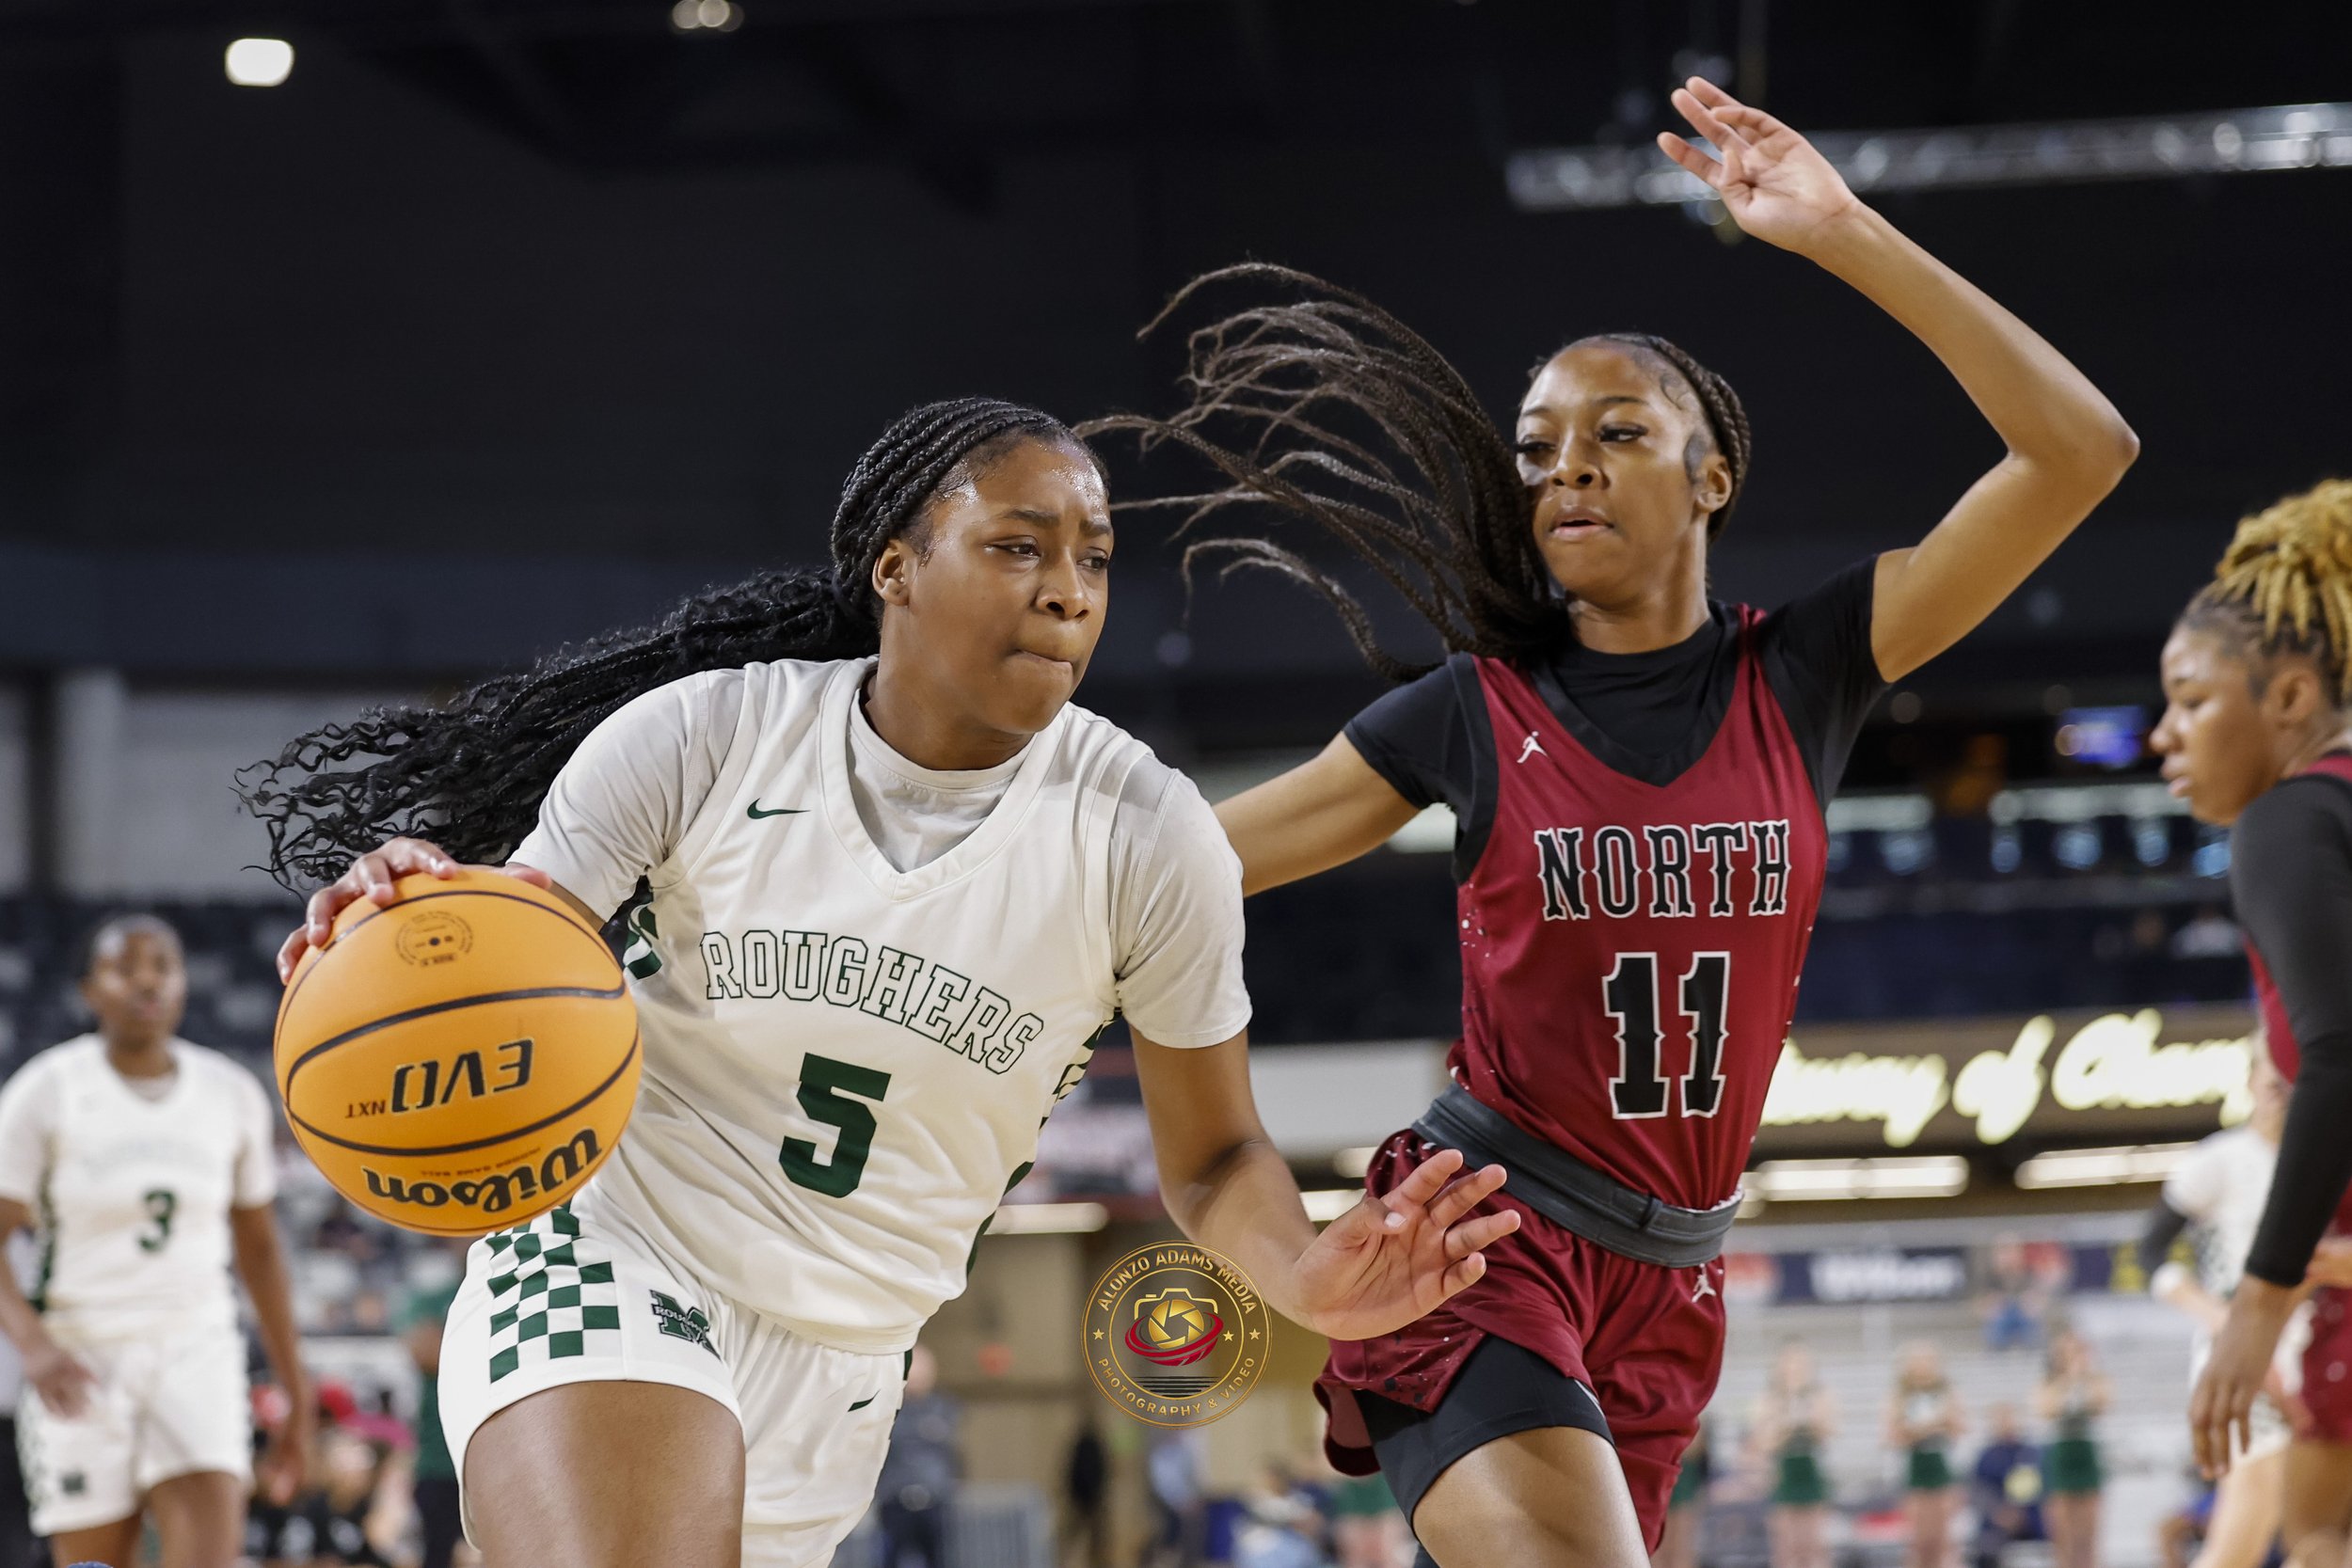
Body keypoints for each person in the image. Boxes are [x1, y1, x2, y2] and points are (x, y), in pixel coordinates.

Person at [1094, 74, 2136, 1568]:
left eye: (1618, 430)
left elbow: (2083, 450)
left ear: (1713, 475)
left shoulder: (1806, 671)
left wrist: (1843, 233)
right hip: (1481, 1238)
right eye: (1537, 447)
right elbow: (1176, 868)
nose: (1566, 463)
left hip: (1676, 1281)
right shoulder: (1471, 712)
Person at [250, 399, 1520, 1568]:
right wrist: (415, 918)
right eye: (1018, 546)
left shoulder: (1147, 833)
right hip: (617, 1252)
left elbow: (1214, 1155)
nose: (1068, 589)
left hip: (849, 1365)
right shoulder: (706, 734)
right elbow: (504, 952)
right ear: (896, 568)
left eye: (1092, 559)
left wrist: (1299, 1271)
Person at [2152, 478, 2352, 1568]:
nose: (2161, 734)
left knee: (2314, 1539)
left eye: (2190, 700)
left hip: (2324, 1301)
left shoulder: (2289, 817)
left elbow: (2339, 1054)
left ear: (2289, 695)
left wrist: (2257, 1301)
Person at [0, 914, 311, 1568]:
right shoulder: (45, 1090)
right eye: (125, 968)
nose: (147, 982)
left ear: (184, 982)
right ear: (89, 990)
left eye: (162, 966)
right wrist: (34, 1346)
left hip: (196, 1347)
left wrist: (296, 1390)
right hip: (82, 1353)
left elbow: (260, 1251)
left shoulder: (230, 1092)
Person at [2141, 1047, 2299, 1568]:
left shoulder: (2324, 1163)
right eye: (2271, 1081)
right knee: (2249, 1519)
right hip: (2243, 1354)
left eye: (2291, 1082)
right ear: (2250, 1081)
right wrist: (2218, 1318)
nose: (2281, 1093)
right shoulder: (2221, 1158)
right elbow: (2150, 1250)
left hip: (2315, 1348)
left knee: (2316, 1526)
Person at [400, 1250, 467, 1568]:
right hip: (438, 1460)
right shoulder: (435, 1297)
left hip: (496, 1452)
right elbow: (423, 1351)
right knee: (437, 1554)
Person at [875, 1345, 957, 1568]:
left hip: (934, 1501)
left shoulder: (943, 1407)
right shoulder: (888, 1408)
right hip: (895, 1500)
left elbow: (947, 1444)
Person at [1756, 1344, 1832, 1568]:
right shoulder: (1770, 1398)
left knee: (1814, 1543)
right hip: (1784, 1469)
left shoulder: (1818, 1396)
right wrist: (1786, 1421)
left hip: (1810, 1467)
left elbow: (1828, 1432)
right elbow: (1765, 1442)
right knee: (1786, 1544)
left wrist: (1809, 1419)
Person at [2037, 1327, 2107, 1568]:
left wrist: (2082, 1376)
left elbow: (2101, 1403)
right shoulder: (2049, 1381)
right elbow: (2047, 1409)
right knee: (2062, 1531)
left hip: (2084, 1449)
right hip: (2061, 1450)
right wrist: (2069, 1379)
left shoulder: (2093, 1379)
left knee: (2088, 1533)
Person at [1891, 1343, 1964, 1568]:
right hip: (1916, 1464)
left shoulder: (1945, 1392)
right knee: (1918, 1540)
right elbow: (1895, 1433)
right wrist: (1928, 1426)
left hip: (1939, 1463)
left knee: (1943, 1539)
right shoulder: (1901, 1394)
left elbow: (1957, 1427)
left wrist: (1927, 1427)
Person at [1968, 1403, 2042, 1568]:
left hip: (2029, 1518)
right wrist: (1998, 1512)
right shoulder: (1986, 1456)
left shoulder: (2030, 1453)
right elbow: (1978, 1490)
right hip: (1995, 1520)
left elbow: (2039, 1488)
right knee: (1986, 1547)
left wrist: (2021, 1514)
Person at [1652, 1422, 1710, 1568]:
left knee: (1681, 1547)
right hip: (1659, 1482)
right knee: (1657, 1548)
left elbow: (1695, 1447)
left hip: (1683, 1486)